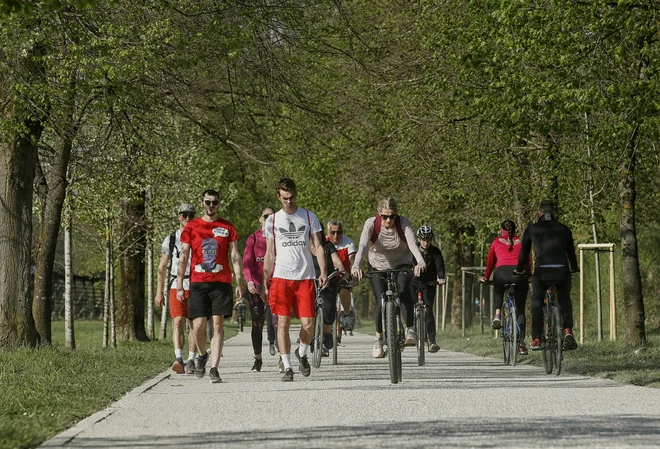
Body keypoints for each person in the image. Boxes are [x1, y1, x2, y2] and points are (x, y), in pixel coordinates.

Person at [262, 178, 328, 382]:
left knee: (308, 324)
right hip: (282, 277)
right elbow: (270, 253)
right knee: (282, 323)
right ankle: (288, 366)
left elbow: (317, 247)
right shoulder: (272, 220)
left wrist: (323, 272)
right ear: (278, 197)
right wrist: (266, 277)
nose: (289, 201)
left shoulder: (309, 217)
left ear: (296, 195)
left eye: (291, 197)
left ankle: (302, 352)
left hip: (305, 277)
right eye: (284, 198)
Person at [177, 189, 244, 383]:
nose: (211, 206)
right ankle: (202, 354)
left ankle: (214, 368)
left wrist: (239, 281)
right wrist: (180, 284)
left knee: (217, 324)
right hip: (198, 283)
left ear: (218, 204)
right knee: (197, 326)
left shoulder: (227, 227)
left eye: (215, 203)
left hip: (221, 283)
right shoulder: (192, 227)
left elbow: (235, 256)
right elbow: (184, 257)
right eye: (208, 202)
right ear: (202, 203)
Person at [351, 197, 426, 358]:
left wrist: (420, 262)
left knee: (404, 288)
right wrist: (356, 265)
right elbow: (363, 246)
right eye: (384, 216)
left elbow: (413, 244)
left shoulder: (403, 223)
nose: (388, 220)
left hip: (402, 263)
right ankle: (379, 338)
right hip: (377, 265)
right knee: (380, 299)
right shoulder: (371, 224)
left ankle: (410, 329)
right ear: (379, 214)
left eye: (392, 216)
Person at [514, 200, 579, 351]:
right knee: (564, 299)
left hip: (542, 272)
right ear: (554, 213)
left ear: (539, 214)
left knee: (537, 301)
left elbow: (524, 253)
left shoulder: (532, 229)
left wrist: (519, 269)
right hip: (562, 270)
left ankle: (537, 338)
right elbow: (571, 252)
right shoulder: (564, 229)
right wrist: (574, 267)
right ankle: (568, 330)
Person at [155, 204, 197, 374]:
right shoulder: (171, 239)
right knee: (178, 321)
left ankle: (192, 359)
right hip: (175, 284)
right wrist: (159, 292)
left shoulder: (198, 236)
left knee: (194, 324)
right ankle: (179, 358)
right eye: (184, 215)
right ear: (179, 216)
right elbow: (162, 266)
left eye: (191, 215)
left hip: (195, 284)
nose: (187, 218)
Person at [477, 219, 530, 355]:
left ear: (502, 231)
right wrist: (528, 275)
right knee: (520, 310)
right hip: (519, 274)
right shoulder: (522, 242)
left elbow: (490, 263)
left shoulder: (495, 242)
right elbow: (527, 261)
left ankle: (497, 315)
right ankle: (521, 344)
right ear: (515, 230)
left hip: (501, 273)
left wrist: (486, 277)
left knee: (498, 290)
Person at [243, 207, 278, 372]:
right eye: (266, 216)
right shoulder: (253, 239)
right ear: (260, 219)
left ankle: (282, 357)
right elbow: (247, 263)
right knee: (257, 322)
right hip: (256, 287)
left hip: (275, 285)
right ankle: (258, 358)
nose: (269, 218)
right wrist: (249, 281)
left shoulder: (280, 238)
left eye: (272, 216)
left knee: (278, 322)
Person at [313, 222, 348, 356]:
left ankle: (327, 330)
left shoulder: (328, 246)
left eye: (318, 232)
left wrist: (342, 270)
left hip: (327, 281)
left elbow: (337, 261)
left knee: (328, 310)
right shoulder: (304, 247)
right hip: (309, 281)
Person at [414, 225, 446, 353]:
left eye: (428, 240)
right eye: (423, 240)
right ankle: (410, 332)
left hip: (430, 282)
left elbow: (440, 266)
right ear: (419, 239)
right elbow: (407, 262)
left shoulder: (435, 252)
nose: (426, 242)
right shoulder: (413, 250)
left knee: (428, 309)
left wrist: (441, 278)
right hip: (414, 282)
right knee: (409, 304)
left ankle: (432, 340)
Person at [326, 220, 358, 335]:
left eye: (339, 232)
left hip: (344, 275)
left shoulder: (348, 243)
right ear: (328, 232)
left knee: (345, 289)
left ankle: (347, 314)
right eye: (333, 232)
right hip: (328, 276)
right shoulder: (323, 243)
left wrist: (354, 278)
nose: (336, 236)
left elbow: (353, 260)